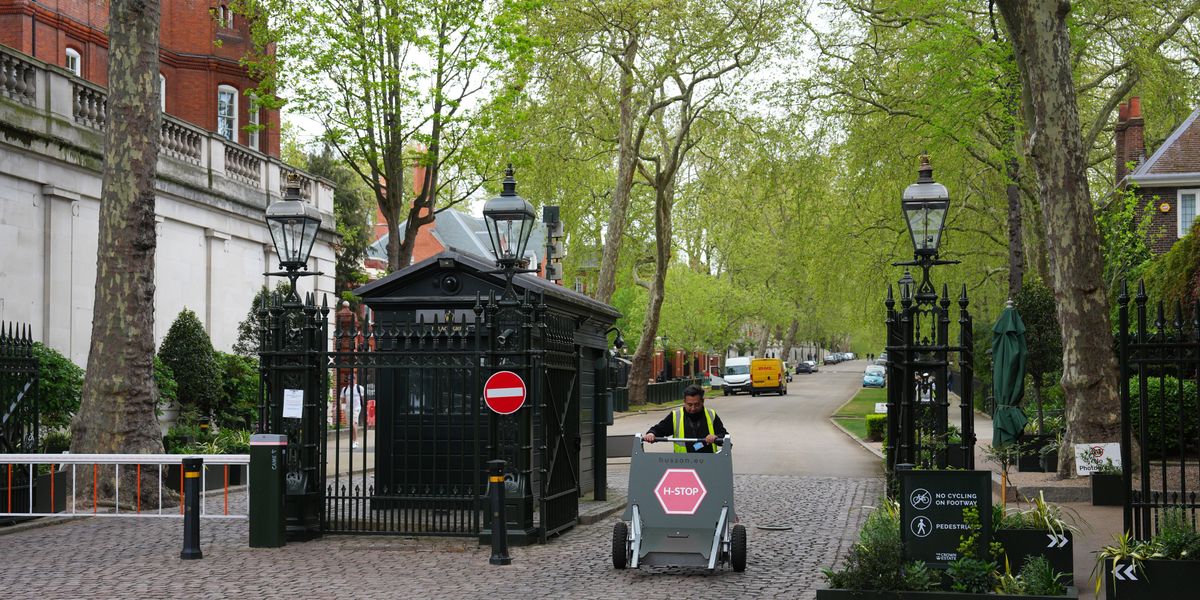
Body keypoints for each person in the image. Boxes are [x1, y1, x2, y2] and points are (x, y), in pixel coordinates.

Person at [642, 385, 729, 453]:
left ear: (703, 401)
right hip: (683, 465)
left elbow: (725, 438)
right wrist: (651, 433)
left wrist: (716, 437)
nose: (693, 408)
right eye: (689, 405)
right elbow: (659, 429)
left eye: (697, 404)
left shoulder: (711, 415)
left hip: (708, 464)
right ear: (684, 402)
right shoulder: (676, 415)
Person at [339, 376, 364, 448]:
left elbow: (363, 398)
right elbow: (341, 399)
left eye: (352, 379)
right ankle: (354, 440)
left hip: (356, 408)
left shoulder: (360, 388)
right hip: (348, 409)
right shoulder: (345, 389)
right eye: (349, 379)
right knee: (351, 425)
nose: (350, 381)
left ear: (355, 379)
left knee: (354, 423)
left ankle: (355, 441)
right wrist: (339, 406)